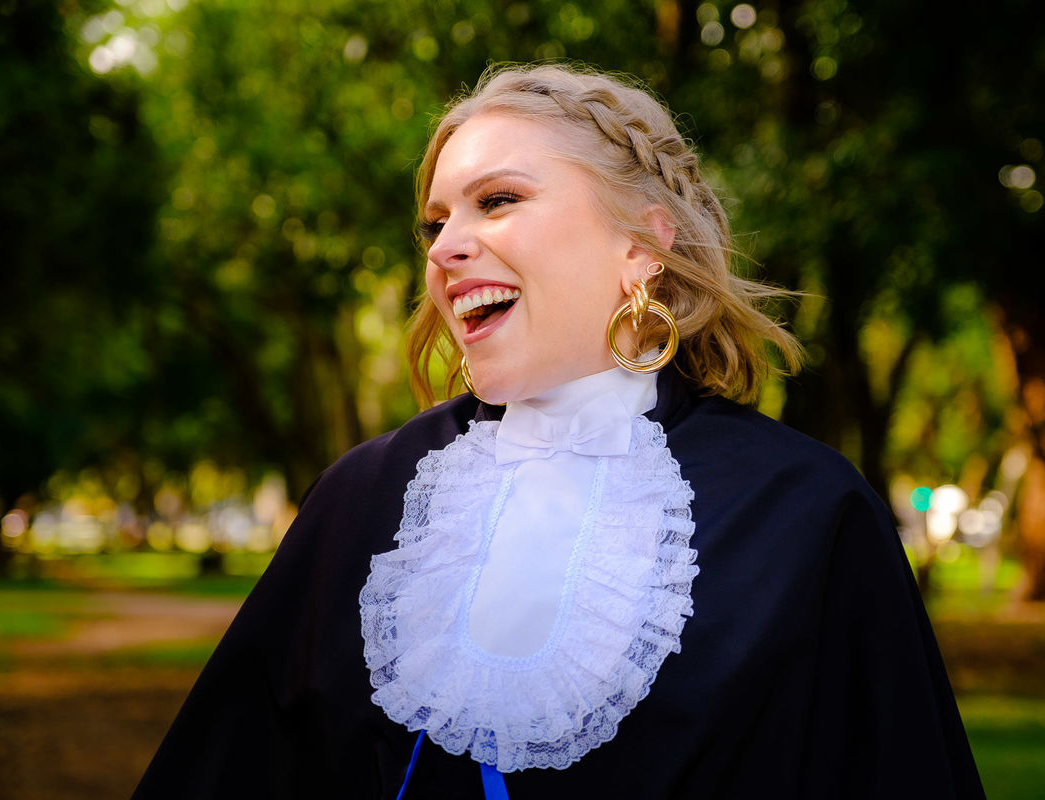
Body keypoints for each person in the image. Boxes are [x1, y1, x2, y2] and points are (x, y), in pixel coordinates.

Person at [133, 64, 984, 799]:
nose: (445, 249)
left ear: (644, 244)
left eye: (497, 201)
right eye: (436, 224)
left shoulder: (806, 513)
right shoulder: (368, 497)